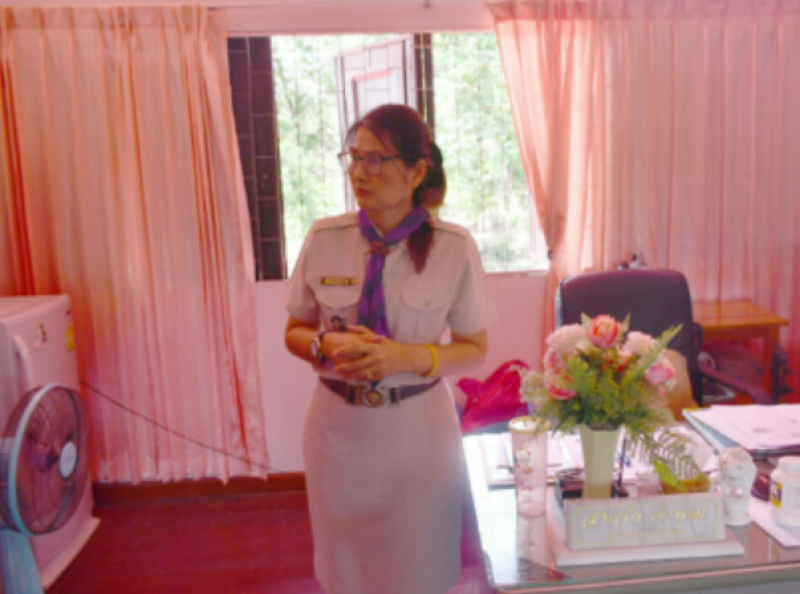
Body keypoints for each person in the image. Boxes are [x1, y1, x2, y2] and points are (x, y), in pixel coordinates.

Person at [283, 104, 497, 594]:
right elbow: (294, 330)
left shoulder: (453, 247)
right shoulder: (324, 238)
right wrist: (324, 343)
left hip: (418, 437)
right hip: (338, 435)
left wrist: (404, 357)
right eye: (354, 158)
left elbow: (474, 349)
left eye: (376, 160)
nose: (360, 172)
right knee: (346, 570)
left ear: (417, 172)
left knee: (420, 568)